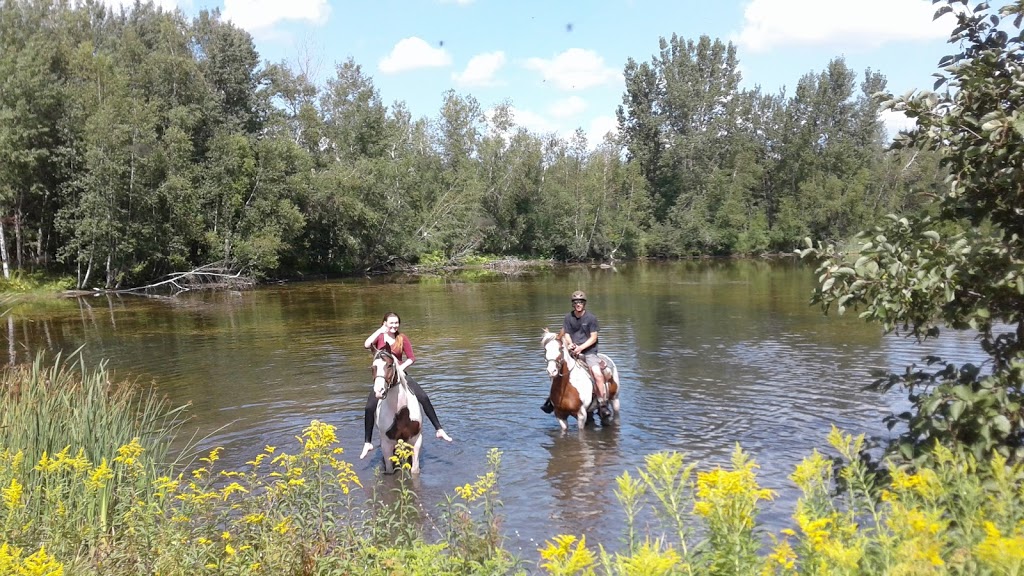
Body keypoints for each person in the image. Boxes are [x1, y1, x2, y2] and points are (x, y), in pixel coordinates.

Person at [360, 312, 452, 460]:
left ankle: (439, 429)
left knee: (423, 396)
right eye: (391, 323)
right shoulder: (379, 337)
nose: (394, 326)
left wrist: (400, 369)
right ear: (384, 323)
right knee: (369, 407)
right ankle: (367, 442)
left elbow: (411, 358)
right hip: (382, 377)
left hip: (400, 375)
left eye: (396, 323)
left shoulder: (402, 339)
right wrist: (379, 330)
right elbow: (366, 345)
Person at [541, 290, 612, 419]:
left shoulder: (591, 318)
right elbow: (567, 334)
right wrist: (570, 344)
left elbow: (593, 338)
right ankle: (552, 400)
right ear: (573, 304)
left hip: (589, 352)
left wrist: (581, 348)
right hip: (572, 350)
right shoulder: (568, 318)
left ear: (584, 303)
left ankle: (602, 403)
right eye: (575, 302)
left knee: (596, 373)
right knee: (556, 371)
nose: (578, 304)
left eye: (580, 302)